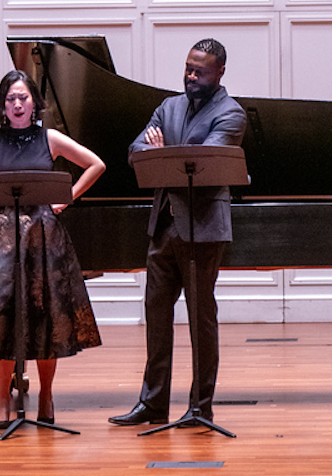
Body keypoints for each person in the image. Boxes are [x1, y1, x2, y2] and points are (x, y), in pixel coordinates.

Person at [108, 39, 247, 427]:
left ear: (219, 73)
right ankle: (152, 404)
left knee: (201, 319)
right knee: (156, 316)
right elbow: (136, 150)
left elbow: (205, 164)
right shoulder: (168, 107)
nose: (190, 76)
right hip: (163, 226)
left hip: (202, 230)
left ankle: (201, 407)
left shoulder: (231, 114)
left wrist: (165, 150)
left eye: (199, 71)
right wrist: (168, 152)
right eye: (188, 67)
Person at [0, 69, 105, 433]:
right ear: (2, 104)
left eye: (22, 97)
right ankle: (2, 401)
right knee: (2, 322)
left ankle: (45, 395)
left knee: (46, 320)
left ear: (33, 103)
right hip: (3, 242)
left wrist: (66, 198)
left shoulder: (50, 138)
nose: (16, 104)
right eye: (10, 98)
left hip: (44, 239)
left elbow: (96, 164)